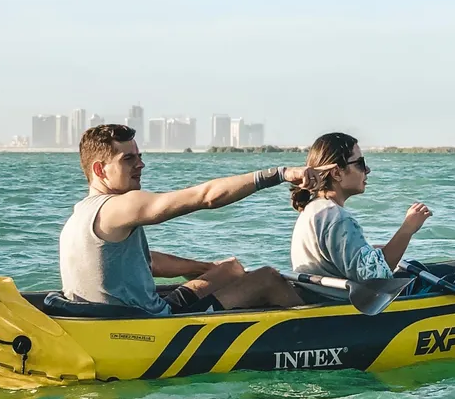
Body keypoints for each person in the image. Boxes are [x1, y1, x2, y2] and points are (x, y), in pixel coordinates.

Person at [59, 123, 324, 314]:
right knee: (267, 278)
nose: (140, 165)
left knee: (229, 268)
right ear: (99, 169)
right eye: (128, 159)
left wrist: (199, 268)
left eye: (140, 157)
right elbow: (205, 197)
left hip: (119, 316)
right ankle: (324, 331)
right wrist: (279, 174)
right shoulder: (119, 206)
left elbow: (143, 262)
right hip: (150, 326)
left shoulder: (79, 215)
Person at [289, 131, 432, 282]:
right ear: (337, 173)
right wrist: (408, 228)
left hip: (316, 294)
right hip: (342, 300)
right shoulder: (338, 218)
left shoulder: (314, 208)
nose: (367, 170)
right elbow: (375, 275)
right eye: (360, 164)